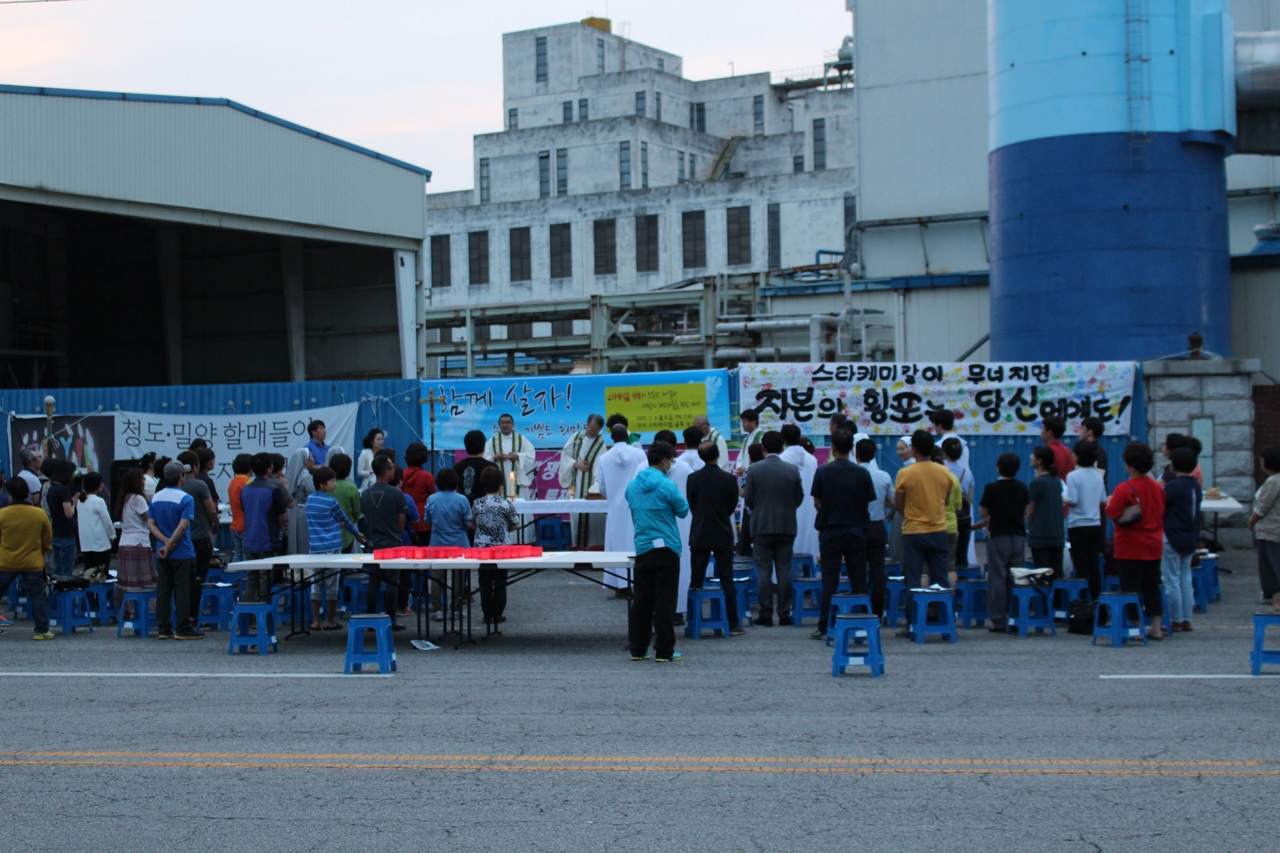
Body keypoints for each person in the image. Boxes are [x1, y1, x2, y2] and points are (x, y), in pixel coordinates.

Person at [626, 440, 690, 662]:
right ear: (664, 460)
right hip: (667, 547)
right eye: (671, 460)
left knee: (642, 599)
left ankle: (638, 648)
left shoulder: (632, 486)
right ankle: (664, 650)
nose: (671, 464)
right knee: (665, 600)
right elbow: (683, 510)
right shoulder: (667, 485)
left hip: (643, 545)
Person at [810, 428, 876, 640]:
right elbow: (867, 500)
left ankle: (825, 625)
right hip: (856, 530)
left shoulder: (823, 471)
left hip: (830, 530)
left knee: (830, 579)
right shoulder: (862, 473)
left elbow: (817, 502)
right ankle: (863, 623)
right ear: (852, 449)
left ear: (833, 448)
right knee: (858, 578)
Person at [1105, 442, 1167, 640]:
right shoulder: (1157, 488)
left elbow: (1112, 512)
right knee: (1152, 586)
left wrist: (1109, 500)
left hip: (1130, 546)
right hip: (1154, 543)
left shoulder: (1125, 488)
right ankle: (1156, 626)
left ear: (1131, 466)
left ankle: (1137, 626)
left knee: (1131, 588)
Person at [893, 430, 953, 635]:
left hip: (913, 530)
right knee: (940, 578)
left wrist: (910, 514)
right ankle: (945, 621)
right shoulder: (944, 472)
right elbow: (945, 499)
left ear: (914, 450)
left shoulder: (905, 473)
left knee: (913, 579)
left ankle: (913, 623)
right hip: (938, 529)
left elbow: (899, 503)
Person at [743, 430, 804, 626]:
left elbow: (749, 499)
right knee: (785, 569)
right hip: (786, 524)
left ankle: (766, 613)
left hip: (761, 525)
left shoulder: (754, 470)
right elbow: (799, 498)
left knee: (763, 570)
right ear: (782, 446)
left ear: (763, 448)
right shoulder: (792, 469)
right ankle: (784, 613)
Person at [687, 441, 744, 636]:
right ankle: (733, 623)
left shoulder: (693, 478)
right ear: (718, 454)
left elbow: (692, 504)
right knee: (727, 578)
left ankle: (693, 620)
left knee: (696, 578)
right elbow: (732, 505)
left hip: (700, 531)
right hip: (722, 531)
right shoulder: (728, 479)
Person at [147, 460, 204, 640]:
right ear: (181, 476)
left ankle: (164, 627)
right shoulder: (186, 498)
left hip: (161, 550)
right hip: (182, 550)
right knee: (183, 590)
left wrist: (164, 542)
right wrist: (171, 544)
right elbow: (182, 526)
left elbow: (150, 523)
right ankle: (183, 626)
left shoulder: (156, 497)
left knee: (163, 589)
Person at [974, 452, 1030, 632]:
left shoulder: (992, 488)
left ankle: (998, 620)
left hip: (998, 536)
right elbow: (1026, 509)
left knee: (997, 577)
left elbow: (983, 513)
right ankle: (1016, 617)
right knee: (1016, 577)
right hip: (1018, 537)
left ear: (998, 467)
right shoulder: (1022, 487)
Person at [306, 465, 363, 631]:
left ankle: (316, 620)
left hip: (315, 547)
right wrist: (356, 534)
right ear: (322, 485)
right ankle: (331, 620)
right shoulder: (332, 502)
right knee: (332, 584)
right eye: (331, 481)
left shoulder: (309, 500)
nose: (334, 484)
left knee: (315, 584)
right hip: (332, 546)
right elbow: (345, 520)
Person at [595, 423, 649, 595]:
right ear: (627, 436)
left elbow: (601, 486)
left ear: (612, 437)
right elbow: (645, 477)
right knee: (636, 542)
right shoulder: (640, 454)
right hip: (637, 505)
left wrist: (612, 495)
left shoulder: (604, 458)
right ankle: (639, 582)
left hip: (615, 508)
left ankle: (620, 585)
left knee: (615, 545)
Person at [0, 476, 54, 639]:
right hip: (33, 561)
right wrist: (41, 551)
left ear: (10, 495)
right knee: (37, 595)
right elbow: (47, 538)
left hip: (6, 561)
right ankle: (42, 630)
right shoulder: (39, 514)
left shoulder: (2, 514)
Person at [361, 456, 407, 629]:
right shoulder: (396, 493)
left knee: (374, 581)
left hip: (373, 543)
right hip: (393, 542)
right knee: (392, 583)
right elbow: (401, 519)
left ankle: (370, 618)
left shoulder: (365, 494)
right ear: (387, 471)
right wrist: (396, 533)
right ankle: (391, 619)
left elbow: (366, 518)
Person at [667, 427, 705, 625]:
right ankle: (687, 603)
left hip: (670, 520)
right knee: (688, 562)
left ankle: (672, 608)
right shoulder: (702, 461)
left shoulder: (677, 464)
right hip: (690, 517)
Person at [1162, 447, 1202, 633]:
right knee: (1186, 579)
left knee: (1171, 580)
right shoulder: (1195, 486)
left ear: (1173, 465)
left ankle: (1175, 620)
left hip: (1172, 535)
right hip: (1189, 536)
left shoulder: (1173, 486)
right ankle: (1187, 619)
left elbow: (1161, 505)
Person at [240, 452, 290, 601]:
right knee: (265, 579)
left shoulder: (245, 489)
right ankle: (264, 616)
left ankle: (248, 614)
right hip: (268, 540)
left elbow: (245, 510)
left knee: (252, 578)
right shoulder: (273, 489)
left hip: (249, 539)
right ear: (270, 468)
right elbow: (283, 517)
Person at [472, 466, 517, 629]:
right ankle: (498, 612)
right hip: (501, 549)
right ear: (500, 484)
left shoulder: (477, 503)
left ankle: (486, 613)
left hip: (482, 548)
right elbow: (515, 524)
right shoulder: (506, 504)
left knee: (484, 581)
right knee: (500, 581)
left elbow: (471, 523)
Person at [854, 438, 894, 617]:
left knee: (858, 569)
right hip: (877, 525)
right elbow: (894, 502)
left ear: (856, 454)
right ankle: (878, 610)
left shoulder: (853, 473)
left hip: (857, 526)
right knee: (878, 570)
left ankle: (861, 608)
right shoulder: (883, 475)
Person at [177, 450, 219, 614]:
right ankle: (194, 615)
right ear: (195, 467)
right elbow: (211, 510)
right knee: (198, 577)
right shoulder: (200, 485)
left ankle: (181, 614)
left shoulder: (170, 487)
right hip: (200, 536)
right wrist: (214, 520)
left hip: (177, 538)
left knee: (181, 579)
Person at [1065, 440, 1107, 600]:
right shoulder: (1098, 476)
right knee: (1094, 566)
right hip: (1095, 524)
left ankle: (1083, 604)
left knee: (1081, 568)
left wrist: (1062, 499)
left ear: (1077, 456)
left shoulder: (1072, 476)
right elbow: (1103, 499)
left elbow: (1073, 500)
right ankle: (1097, 603)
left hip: (1078, 525)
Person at [558, 414, 606, 547]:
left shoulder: (600, 443)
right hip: (577, 483)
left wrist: (596, 483)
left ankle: (594, 548)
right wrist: (576, 464)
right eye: (590, 428)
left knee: (593, 519)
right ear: (586, 425)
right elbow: (565, 455)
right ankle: (578, 547)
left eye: (595, 430)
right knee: (577, 514)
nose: (592, 432)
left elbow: (600, 466)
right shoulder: (576, 437)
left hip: (591, 485)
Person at [113, 468, 157, 610]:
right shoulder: (139, 498)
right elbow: (149, 519)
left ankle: (127, 609)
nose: (144, 482)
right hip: (139, 543)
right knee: (143, 581)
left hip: (125, 542)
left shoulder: (125, 498)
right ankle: (143, 610)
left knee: (128, 582)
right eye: (142, 479)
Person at [779, 424, 819, 562]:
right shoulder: (811, 459)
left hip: (789, 508)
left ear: (783, 439)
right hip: (809, 508)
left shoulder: (782, 460)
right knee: (808, 539)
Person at [1027, 446, 1065, 578]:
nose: (1031, 457)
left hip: (1040, 535)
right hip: (1057, 535)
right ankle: (1057, 599)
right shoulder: (1057, 481)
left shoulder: (1036, 483)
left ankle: (1045, 599)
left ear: (1040, 461)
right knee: (1056, 573)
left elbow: (1030, 509)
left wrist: (1029, 526)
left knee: (1042, 574)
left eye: (1034, 455)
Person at [1249, 446, 1280, 610]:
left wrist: (1252, 521)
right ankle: (1275, 599)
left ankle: (1277, 600)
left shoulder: (1273, 481)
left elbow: (1263, 506)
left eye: (1262, 460)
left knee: (1272, 566)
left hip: (1271, 530)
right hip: (1273, 529)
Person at [941, 437, 974, 570]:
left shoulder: (942, 471)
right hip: (964, 517)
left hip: (946, 518)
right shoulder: (968, 473)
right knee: (961, 556)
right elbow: (970, 498)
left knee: (945, 557)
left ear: (943, 452)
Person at [485, 413, 537, 498]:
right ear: (499, 425)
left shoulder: (521, 440)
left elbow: (531, 455)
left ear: (513, 425)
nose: (505, 425)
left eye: (508, 422)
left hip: (518, 483)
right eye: (502, 422)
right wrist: (495, 458)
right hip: (499, 483)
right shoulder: (492, 442)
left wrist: (518, 456)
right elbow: (484, 458)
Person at [76, 472, 115, 583]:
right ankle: (101, 599)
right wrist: (112, 535)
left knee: (89, 576)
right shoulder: (98, 501)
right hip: (100, 544)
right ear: (97, 485)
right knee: (101, 577)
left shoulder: (80, 500)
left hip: (86, 544)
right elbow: (107, 522)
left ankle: (90, 599)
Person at [44, 459, 77, 580]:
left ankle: (56, 597)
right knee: (66, 572)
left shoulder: (51, 488)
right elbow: (68, 513)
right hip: (66, 533)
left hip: (55, 532)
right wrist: (74, 503)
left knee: (57, 571)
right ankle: (66, 596)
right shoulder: (63, 490)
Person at [402, 441, 437, 546]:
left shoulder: (402, 474)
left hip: (407, 517)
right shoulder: (426, 476)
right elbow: (433, 497)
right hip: (423, 519)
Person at [328, 453, 363, 553]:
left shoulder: (325, 487)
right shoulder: (351, 488)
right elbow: (356, 513)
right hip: (347, 534)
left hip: (327, 534)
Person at [456, 429, 499, 507]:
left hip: (463, 511)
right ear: (484, 447)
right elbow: (497, 494)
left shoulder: (457, 467)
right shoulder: (492, 468)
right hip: (487, 512)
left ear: (466, 447)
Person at [227, 453, 253, 564]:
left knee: (237, 556)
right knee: (247, 557)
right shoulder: (248, 483)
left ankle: (233, 578)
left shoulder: (233, 482)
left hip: (235, 525)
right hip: (246, 525)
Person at [929, 409, 970, 473]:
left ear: (939, 425)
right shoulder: (963, 445)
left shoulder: (938, 446)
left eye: (934, 424)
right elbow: (966, 468)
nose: (933, 427)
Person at [1041, 416, 1075, 481]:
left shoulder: (1046, 451)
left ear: (1049, 433)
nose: (1041, 432)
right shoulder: (1067, 451)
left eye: (1042, 429)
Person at [735, 408, 764, 477]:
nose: (743, 424)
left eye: (745, 422)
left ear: (754, 422)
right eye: (742, 422)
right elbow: (740, 457)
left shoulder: (761, 437)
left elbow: (763, 458)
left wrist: (746, 469)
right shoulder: (746, 439)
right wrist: (739, 467)